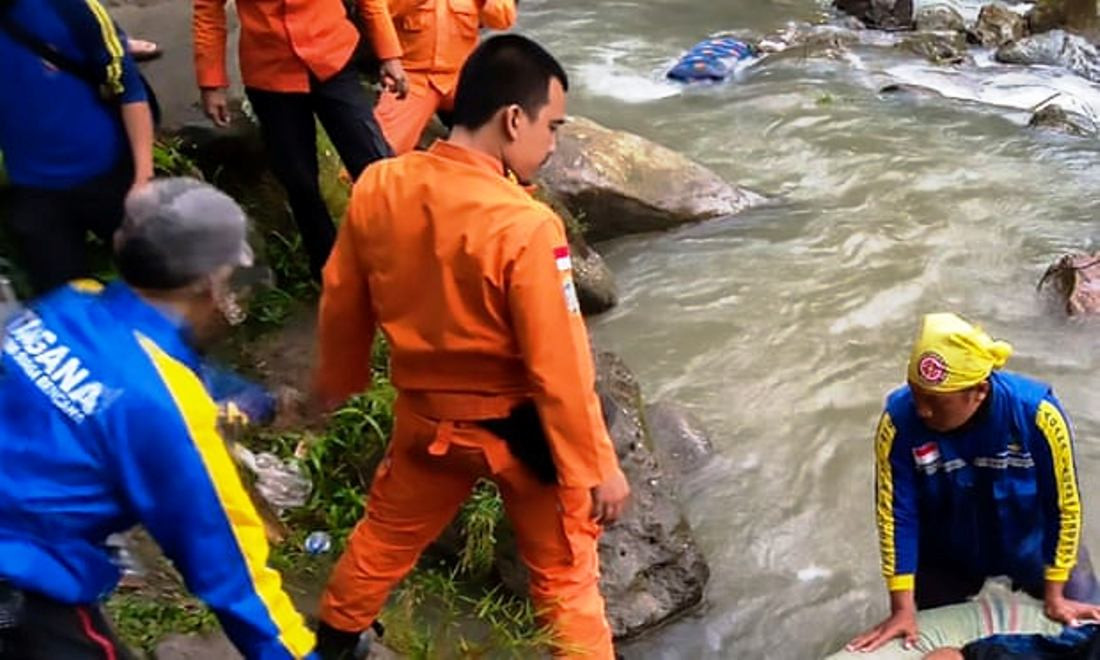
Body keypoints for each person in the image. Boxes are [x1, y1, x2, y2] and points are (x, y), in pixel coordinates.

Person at [310, 34, 628, 658]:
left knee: (384, 539)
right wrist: (597, 466)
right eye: (553, 126)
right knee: (565, 580)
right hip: (521, 434)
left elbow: (342, 297)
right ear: (514, 119)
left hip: (428, 420)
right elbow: (558, 365)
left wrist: (340, 382)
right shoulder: (526, 225)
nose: (554, 142)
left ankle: (334, 644)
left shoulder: (378, 185)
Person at [0, 178, 316, 659]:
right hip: (20, 590)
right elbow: (236, 580)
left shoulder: (73, 303)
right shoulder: (166, 412)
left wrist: (260, 405)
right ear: (207, 282)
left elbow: (141, 391)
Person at [848, 313, 1100, 654]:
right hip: (948, 549)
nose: (922, 411)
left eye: (935, 402)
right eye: (916, 394)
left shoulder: (1037, 415)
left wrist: (1056, 593)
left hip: (1032, 542)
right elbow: (896, 516)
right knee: (923, 630)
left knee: (1088, 629)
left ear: (978, 392)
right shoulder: (898, 422)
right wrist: (901, 607)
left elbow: (1065, 506)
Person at [193, 0, 393, 280]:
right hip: (270, 75)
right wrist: (211, 82)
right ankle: (331, 273)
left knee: (375, 164)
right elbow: (208, 12)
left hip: (334, 58)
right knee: (299, 181)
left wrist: (389, 54)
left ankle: (402, 252)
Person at [0, 0, 155, 295]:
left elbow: (128, 88)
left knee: (158, 282)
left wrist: (143, 179)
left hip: (109, 172)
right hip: (34, 190)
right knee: (63, 304)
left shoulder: (68, 7)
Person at [361, 0, 516, 155]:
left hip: (462, 76)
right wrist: (390, 58)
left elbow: (503, 19)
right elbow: (375, 8)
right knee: (376, 153)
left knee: (505, 129)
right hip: (413, 78)